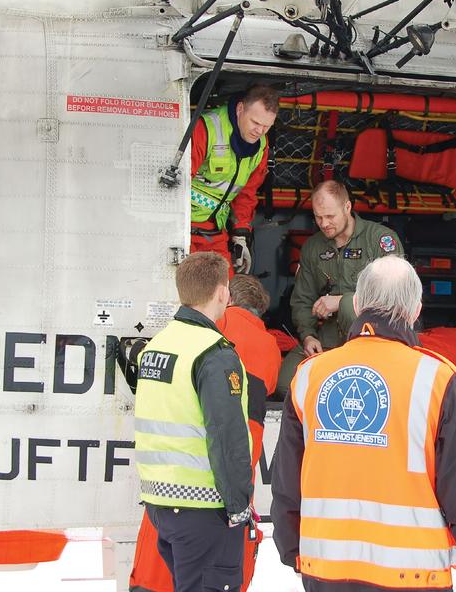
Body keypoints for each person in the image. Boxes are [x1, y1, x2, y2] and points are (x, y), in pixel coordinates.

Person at [271, 256, 456, 592]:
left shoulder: (309, 375)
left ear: (356, 304)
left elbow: (287, 476)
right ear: (415, 310)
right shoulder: (437, 378)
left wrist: (292, 548)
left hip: (324, 569)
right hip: (412, 574)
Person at [130, 273, 279, 592]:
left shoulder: (180, 336)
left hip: (166, 496)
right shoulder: (267, 347)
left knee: (155, 572)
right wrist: (238, 507)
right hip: (220, 497)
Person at [276, 179, 404, 398]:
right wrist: (308, 336)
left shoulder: (380, 240)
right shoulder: (313, 247)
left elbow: (396, 298)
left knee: (347, 307)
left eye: (330, 216)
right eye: (318, 217)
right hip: (327, 339)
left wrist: (342, 301)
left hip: (374, 342)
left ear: (347, 207)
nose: (324, 223)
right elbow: (302, 299)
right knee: (285, 385)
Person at [190, 84, 280, 274]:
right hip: (184, 229)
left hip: (214, 232)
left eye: (267, 126)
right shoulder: (205, 129)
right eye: (255, 122)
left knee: (225, 294)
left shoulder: (261, 148)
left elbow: (246, 193)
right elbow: (179, 182)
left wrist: (240, 235)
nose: (260, 131)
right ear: (240, 109)